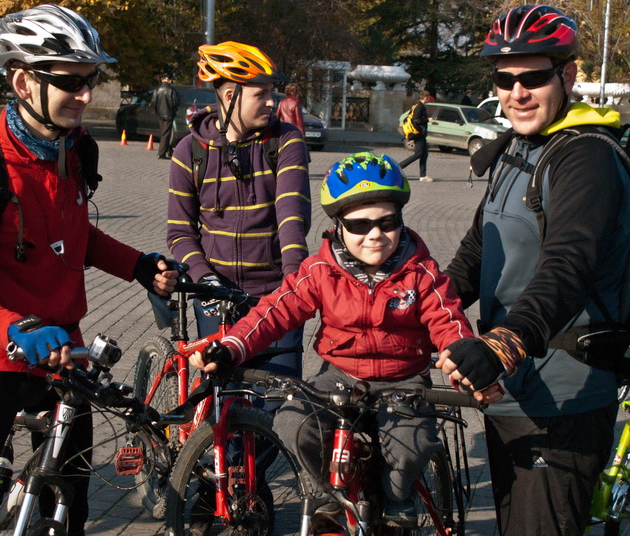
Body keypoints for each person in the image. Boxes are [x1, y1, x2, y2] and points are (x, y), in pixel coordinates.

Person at [0, 5, 179, 536]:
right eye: (70, 83)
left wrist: (138, 265)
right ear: (21, 81)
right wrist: (16, 327)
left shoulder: (75, 152)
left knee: (71, 511)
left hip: (67, 359)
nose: (85, 96)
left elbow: (72, 240)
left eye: (91, 81)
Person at [191, 152, 500, 527]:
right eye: (359, 225)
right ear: (338, 226)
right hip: (338, 377)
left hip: (403, 382)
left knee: (409, 446)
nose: (375, 234)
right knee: (291, 423)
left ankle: (397, 498)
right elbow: (276, 311)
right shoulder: (320, 270)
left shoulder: (422, 272)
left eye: (388, 222)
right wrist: (232, 347)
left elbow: (448, 322)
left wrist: (468, 369)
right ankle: (327, 496)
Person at [439, 5, 630, 535]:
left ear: (567, 75)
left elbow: (568, 266)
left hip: (564, 393)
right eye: (504, 79)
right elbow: (477, 249)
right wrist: (414, 304)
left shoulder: (586, 158)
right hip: (512, 385)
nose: (516, 93)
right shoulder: (519, 149)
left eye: (533, 78)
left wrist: (503, 343)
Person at [167, 41, 311, 390]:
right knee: (225, 410)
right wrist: (205, 278)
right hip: (217, 299)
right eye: (260, 94)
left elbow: (291, 218)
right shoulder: (190, 151)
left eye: (271, 93)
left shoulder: (285, 141)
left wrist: (294, 284)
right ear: (229, 96)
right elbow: (179, 232)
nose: (271, 102)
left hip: (275, 294)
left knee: (281, 404)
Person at [399, 90, 432, 182]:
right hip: (418, 133)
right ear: (425, 98)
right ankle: (399, 166)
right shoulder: (420, 107)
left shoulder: (417, 106)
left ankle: (423, 176)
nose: (428, 99)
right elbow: (417, 119)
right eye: (428, 97)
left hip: (420, 133)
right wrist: (427, 120)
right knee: (418, 154)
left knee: (424, 154)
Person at [150, 73, 180, 160]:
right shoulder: (171, 90)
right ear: (169, 80)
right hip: (169, 114)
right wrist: (173, 110)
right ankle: (161, 153)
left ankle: (170, 151)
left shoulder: (157, 89)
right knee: (166, 134)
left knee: (164, 133)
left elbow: (153, 102)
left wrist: (157, 111)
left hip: (160, 114)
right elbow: (176, 102)